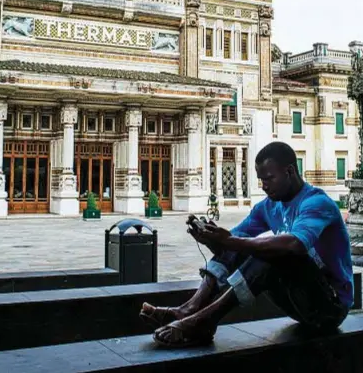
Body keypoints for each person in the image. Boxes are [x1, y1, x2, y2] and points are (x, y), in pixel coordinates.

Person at [139, 141, 353, 348]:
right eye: (261, 180)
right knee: (242, 245)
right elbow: (233, 244)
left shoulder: (316, 202)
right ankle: (190, 308)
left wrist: (230, 241)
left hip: (329, 307)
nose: (264, 186)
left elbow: (294, 245)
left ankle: (204, 321)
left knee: (273, 251)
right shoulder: (268, 206)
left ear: (289, 172)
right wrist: (213, 239)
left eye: (269, 178)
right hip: (295, 301)